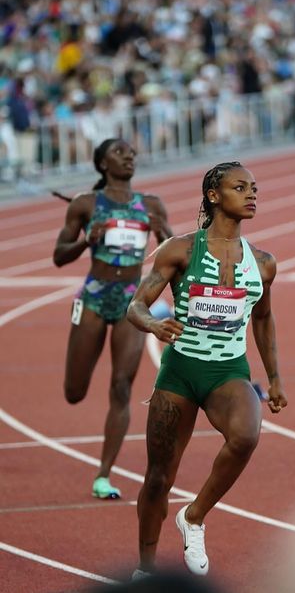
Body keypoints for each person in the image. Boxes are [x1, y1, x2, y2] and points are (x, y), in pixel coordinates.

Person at [126, 161, 287, 578]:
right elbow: (136, 305)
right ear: (214, 196)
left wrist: (274, 378)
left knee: (246, 436)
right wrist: (154, 324)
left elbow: (264, 319)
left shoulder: (263, 263)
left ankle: (194, 517)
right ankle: (145, 570)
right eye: (240, 187)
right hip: (180, 372)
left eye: (254, 188)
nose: (252, 194)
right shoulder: (179, 250)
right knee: (159, 478)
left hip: (228, 372)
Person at [53, 138, 172, 499]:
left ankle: (103, 475)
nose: (129, 157)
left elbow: (175, 250)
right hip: (93, 297)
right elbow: (59, 255)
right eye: (120, 153)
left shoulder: (151, 205)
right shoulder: (86, 204)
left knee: (122, 387)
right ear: (103, 164)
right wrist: (87, 240)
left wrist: (160, 231)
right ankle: (102, 468)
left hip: (129, 303)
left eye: (132, 152)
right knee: (74, 392)